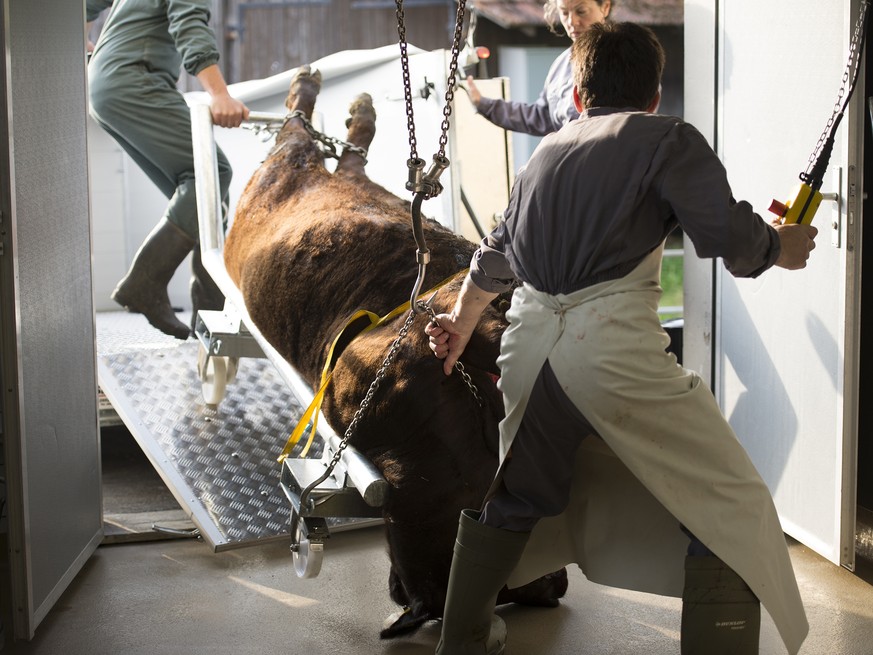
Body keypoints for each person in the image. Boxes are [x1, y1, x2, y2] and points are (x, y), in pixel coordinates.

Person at [426, 21, 816, 655]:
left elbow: (493, 259)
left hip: (528, 348)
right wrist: (780, 245)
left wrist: (464, 321)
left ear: (577, 97)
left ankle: (462, 639)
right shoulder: (668, 139)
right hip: (610, 350)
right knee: (728, 494)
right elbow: (723, 236)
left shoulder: (541, 158)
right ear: (655, 95)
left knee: (519, 494)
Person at [86, 0, 249, 339]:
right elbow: (188, 22)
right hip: (133, 80)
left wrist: (86, 43)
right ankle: (144, 282)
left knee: (205, 198)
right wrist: (219, 94)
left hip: (108, 85)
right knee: (212, 174)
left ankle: (212, 316)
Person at [465, 0, 611, 136]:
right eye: (564, 13)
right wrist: (484, 104)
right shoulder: (561, 65)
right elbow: (541, 117)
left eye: (581, 11)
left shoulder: (623, 59)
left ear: (605, 7)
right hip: (569, 158)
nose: (571, 21)